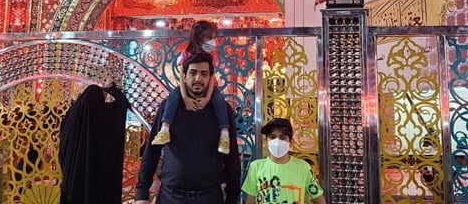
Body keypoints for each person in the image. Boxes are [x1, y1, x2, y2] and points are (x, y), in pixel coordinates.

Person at [135, 52, 241, 204]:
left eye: (204, 74)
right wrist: (142, 193)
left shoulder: (222, 111)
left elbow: (232, 157)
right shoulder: (169, 108)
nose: (198, 78)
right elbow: (152, 151)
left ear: (211, 78)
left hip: (209, 198)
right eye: (193, 73)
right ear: (184, 77)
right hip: (170, 197)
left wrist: (232, 197)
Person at [152, 20, 231, 154]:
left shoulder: (212, 54)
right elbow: (182, 77)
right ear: (199, 38)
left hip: (209, 87)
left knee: (219, 100)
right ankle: (165, 129)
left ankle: (224, 134)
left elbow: (212, 77)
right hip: (186, 87)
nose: (213, 42)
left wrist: (207, 98)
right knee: (173, 96)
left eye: (214, 38)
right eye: (209, 38)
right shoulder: (186, 53)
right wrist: (185, 97)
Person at [242, 118, 326, 204]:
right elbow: (250, 201)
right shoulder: (256, 167)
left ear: (291, 142)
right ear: (266, 141)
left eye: (282, 138)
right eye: (272, 137)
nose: (277, 142)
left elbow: (319, 200)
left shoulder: (303, 167)